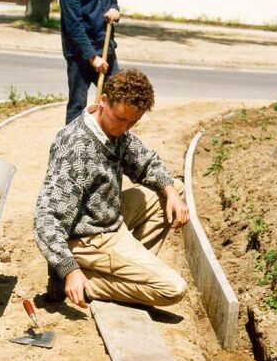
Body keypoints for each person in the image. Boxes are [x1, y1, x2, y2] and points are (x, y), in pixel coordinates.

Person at [33, 69, 189, 310]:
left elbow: (145, 162)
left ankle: (128, 270)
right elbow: (46, 219)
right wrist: (68, 268)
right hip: (88, 237)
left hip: (107, 215)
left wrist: (170, 193)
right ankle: (84, 281)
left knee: (174, 189)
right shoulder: (76, 147)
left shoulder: (114, 131)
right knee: (172, 288)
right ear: (103, 101)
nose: (125, 128)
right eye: (120, 119)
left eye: (133, 122)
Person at [58, 0, 120, 124]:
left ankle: (109, 143)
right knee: (78, 105)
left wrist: (114, 9)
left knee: (117, 98)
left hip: (105, 48)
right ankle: (70, 148)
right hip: (81, 55)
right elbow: (74, 26)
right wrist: (92, 57)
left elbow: (113, 1)